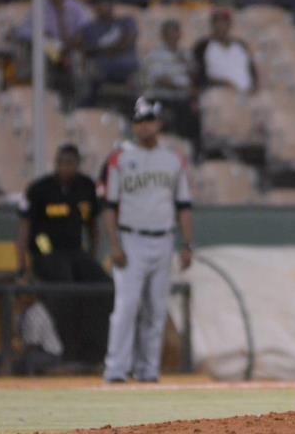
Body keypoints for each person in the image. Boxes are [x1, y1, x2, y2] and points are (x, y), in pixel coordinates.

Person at [103, 97, 193, 383]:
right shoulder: (120, 157)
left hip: (164, 238)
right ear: (134, 125)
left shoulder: (173, 159)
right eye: (140, 121)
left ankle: (148, 370)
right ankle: (116, 369)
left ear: (159, 123)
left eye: (150, 120)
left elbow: (184, 205)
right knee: (127, 307)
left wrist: (187, 244)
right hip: (131, 238)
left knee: (156, 307)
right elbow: (108, 206)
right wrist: (114, 244)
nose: (145, 126)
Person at [16, 144, 110, 365]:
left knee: (103, 284)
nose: (65, 168)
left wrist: (92, 257)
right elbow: (24, 229)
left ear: (77, 165)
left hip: (75, 252)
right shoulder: (39, 189)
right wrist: (23, 266)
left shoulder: (86, 187)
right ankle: (69, 353)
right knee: (65, 285)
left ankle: (97, 353)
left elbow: (93, 228)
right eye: (61, 163)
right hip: (46, 251)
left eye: (70, 163)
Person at [80, 0, 139, 104]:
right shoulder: (90, 28)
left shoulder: (126, 21)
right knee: (90, 76)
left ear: (112, 4)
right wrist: (112, 49)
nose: (101, 7)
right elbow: (85, 49)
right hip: (102, 71)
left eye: (104, 3)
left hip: (127, 68)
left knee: (137, 82)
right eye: (97, 4)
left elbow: (126, 43)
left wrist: (100, 50)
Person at [193, 9, 257, 93]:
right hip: (217, 92)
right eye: (217, 22)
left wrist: (254, 87)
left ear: (229, 24)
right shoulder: (202, 46)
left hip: (246, 94)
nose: (220, 26)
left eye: (224, 22)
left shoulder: (240, 45)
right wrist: (222, 84)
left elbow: (252, 70)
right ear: (212, 25)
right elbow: (198, 75)